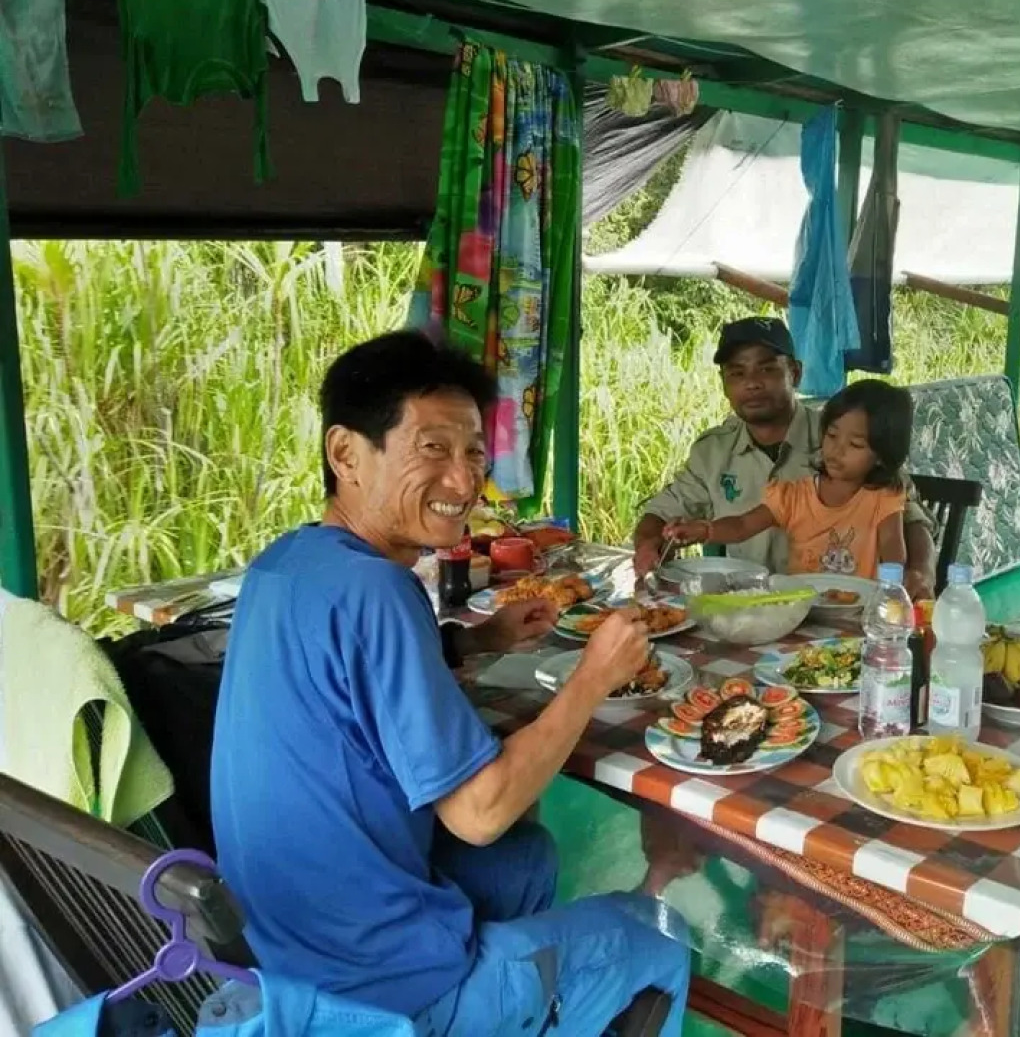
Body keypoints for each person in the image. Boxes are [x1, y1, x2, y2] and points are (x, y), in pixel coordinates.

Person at [211, 331, 690, 1037]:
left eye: (473, 454)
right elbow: (479, 811)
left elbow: (348, 671)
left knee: (525, 860)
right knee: (662, 937)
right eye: (433, 449)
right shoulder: (380, 590)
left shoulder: (285, 563)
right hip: (376, 995)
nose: (465, 484)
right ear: (345, 453)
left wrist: (474, 641)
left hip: (284, 951)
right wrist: (593, 676)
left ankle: (523, 1003)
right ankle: (485, 1004)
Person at [633, 317, 938, 597]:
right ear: (724, 384)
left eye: (767, 369)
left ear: (795, 373)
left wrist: (921, 571)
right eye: (737, 373)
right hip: (747, 605)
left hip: (839, 606)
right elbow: (663, 513)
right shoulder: (713, 452)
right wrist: (648, 545)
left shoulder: (840, 435)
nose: (752, 383)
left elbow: (910, 515)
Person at [662, 380, 913, 580]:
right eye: (832, 435)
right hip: (801, 611)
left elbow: (894, 551)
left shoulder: (883, 497)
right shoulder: (794, 496)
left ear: (882, 456)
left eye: (855, 444)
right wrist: (704, 530)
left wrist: (891, 593)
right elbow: (742, 525)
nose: (837, 450)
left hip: (859, 614)